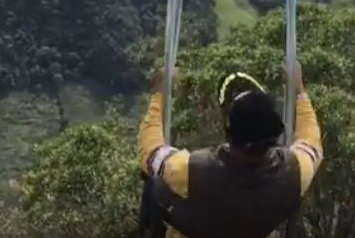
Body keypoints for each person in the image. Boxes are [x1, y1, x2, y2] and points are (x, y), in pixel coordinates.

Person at [137, 63, 323, 238]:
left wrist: (160, 93)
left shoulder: (191, 170)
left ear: (229, 132)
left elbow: (151, 150)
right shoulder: (294, 172)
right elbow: (311, 142)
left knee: (155, 184)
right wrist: (299, 91)